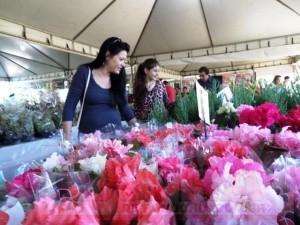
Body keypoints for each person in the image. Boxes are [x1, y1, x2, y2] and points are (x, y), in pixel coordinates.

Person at [62, 37, 136, 142]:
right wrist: (67, 141)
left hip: (116, 140)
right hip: (89, 140)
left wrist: (138, 128)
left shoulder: (119, 78)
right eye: (121, 59)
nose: (123, 64)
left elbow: (124, 106)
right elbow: (69, 107)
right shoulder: (84, 73)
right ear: (107, 55)